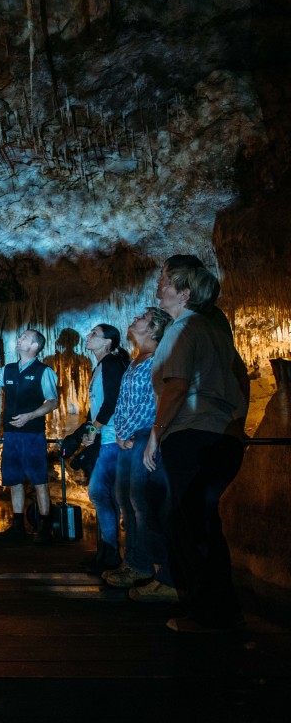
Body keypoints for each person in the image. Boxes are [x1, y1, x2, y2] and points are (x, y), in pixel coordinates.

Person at [144, 263, 248, 633]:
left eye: (166, 282)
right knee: (200, 523)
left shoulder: (183, 328)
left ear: (185, 293)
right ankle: (218, 608)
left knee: (193, 526)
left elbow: (176, 387)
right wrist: (239, 423)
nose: (159, 285)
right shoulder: (214, 331)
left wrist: (156, 435)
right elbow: (239, 378)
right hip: (221, 435)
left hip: (192, 434)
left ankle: (208, 614)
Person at [103, 307, 175, 599]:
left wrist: (146, 436)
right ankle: (134, 562)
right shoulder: (135, 361)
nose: (134, 319)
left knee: (142, 503)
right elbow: (124, 401)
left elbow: (155, 400)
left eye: (142, 318)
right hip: (128, 437)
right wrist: (120, 432)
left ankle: (152, 567)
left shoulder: (160, 357)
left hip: (146, 435)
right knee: (126, 500)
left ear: (154, 328)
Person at [0, 329, 60, 543]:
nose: (19, 339)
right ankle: (18, 526)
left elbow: (52, 401)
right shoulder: (8, 370)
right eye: (20, 336)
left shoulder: (44, 371)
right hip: (11, 433)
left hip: (32, 434)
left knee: (39, 480)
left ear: (34, 346)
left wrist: (31, 415)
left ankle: (44, 527)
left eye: (24, 338)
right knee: (14, 479)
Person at [81, 324, 130, 572]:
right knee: (107, 495)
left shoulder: (110, 364)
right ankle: (107, 552)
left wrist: (94, 428)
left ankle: (111, 552)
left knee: (99, 492)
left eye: (94, 335)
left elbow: (112, 400)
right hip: (107, 437)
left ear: (108, 342)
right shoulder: (100, 366)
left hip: (112, 438)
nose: (88, 337)